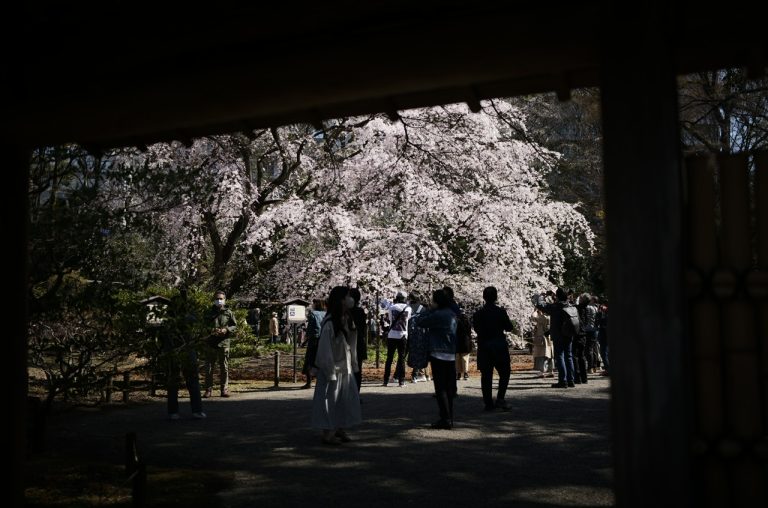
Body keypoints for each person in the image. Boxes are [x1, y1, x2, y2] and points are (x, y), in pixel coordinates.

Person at [311, 286, 362, 445]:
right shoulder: (330, 322)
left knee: (344, 400)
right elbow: (325, 350)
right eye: (347, 296)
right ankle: (328, 433)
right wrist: (330, 371)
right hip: (333, 369)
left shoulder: (346, 318)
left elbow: (352, 345)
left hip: (345, 367)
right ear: (341, 300)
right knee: (330, 400)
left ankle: (339, 427)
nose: (350, 299)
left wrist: (353, 364)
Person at [413, 289, 457, 429]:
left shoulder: (438, 314)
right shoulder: (452, 313)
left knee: (440, 388)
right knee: (448, 388)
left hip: (438, 353)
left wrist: (429, 310)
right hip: (450, 353)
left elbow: (420, 321)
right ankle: (449, 417)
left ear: (437, 301)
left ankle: (445, 419)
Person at [163, 290, 206, 419]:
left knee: (181, 381)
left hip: (180, 350)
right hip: (179, 350)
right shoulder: (172, 318)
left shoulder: (178, 317)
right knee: (184, 381)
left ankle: (177, 411)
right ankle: (192, 410)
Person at [472, 286, 513, 411]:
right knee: (505, 373)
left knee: (486, 376)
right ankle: (500, 398)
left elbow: (477, 329)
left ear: (483, 297)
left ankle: (488, 403)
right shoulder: (500, 312)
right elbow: (509, 327)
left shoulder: (478, 314)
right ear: (496, 297)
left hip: (484, 346)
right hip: (499, 346)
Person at [536, 287, 577, 388]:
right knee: (569, 356)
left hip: (558, 335)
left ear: (557, 296)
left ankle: (563, 381)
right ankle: (571, 380)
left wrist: (542, 295)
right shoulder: (571, 306)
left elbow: (540, 305)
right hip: (569, 334)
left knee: (560, 356)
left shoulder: (555, 307)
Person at [203, 290, 237, 398]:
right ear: (214, 300)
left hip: (224, 343)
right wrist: (211, 330)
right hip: (211, 342)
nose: (219, 300)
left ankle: (224, 390)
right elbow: (203, 325)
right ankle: (208, 390)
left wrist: (226, 330)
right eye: (217, 299)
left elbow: (234, 325)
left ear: (224, 300)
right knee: (209, 368)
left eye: (221, 299)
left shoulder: (229, 312)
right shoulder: (208, 312)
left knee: (224, 367)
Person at [379, 290, 412, 387]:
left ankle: (385, 381)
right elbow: (408, 319)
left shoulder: (392, 307)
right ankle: (401, 381)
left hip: (392, 335)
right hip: (403, 335)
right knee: (401, 358)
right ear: (405, 298)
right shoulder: (408, 308)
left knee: (389, 358)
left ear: (397, 298)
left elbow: (390, 319)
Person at [302, 299, 327, 389]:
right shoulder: (325, 314)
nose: (312, 305)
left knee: (309, 360)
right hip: (323, 339)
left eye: (314, 304)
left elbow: (310, 329)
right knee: (320, 360)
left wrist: (305, 341)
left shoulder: (313, 314)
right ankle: (321, 381)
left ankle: (309, 382)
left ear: (316, 304)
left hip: (314, 339)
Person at [349, 288, 367, 393]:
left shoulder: (346, 311)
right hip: (359, 343)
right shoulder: (360, 311)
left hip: (348, 343)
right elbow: (363, 328)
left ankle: (348, 394)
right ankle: (356, 394)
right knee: (358, 369)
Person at [531, 308, 554, 378]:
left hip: (542, 338)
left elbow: (533, 317)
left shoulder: (542, 318)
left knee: (543, 355)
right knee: (550, 354)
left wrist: (535, 311)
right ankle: (550, 371)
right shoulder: (551, 317)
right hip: (550, 338)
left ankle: (542, 371)